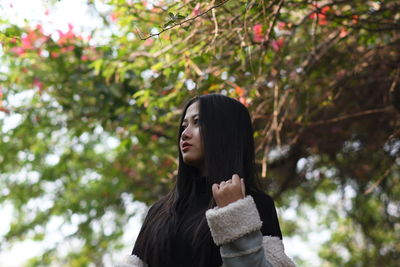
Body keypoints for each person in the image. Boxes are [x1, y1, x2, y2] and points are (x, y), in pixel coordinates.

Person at [117, 94, 295, 267]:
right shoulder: (159, 212)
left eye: (198, 122)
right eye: (184, 126)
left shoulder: (254, 204)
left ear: (225, 131)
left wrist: (234, 213)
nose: (184, 134)